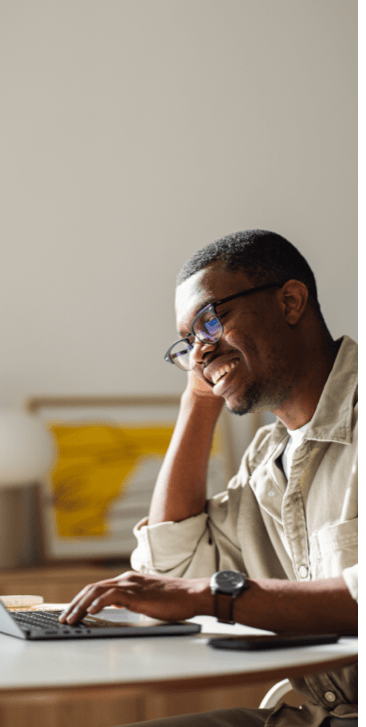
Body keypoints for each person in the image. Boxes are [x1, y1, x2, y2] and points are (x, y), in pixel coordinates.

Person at [60, 230, 358, 727]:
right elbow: (170, 572)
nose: (198, 352)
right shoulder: (268, 459)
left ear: (290, 301)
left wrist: (213, 595)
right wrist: (197, 401)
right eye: (187, 341)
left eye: (211, 321)